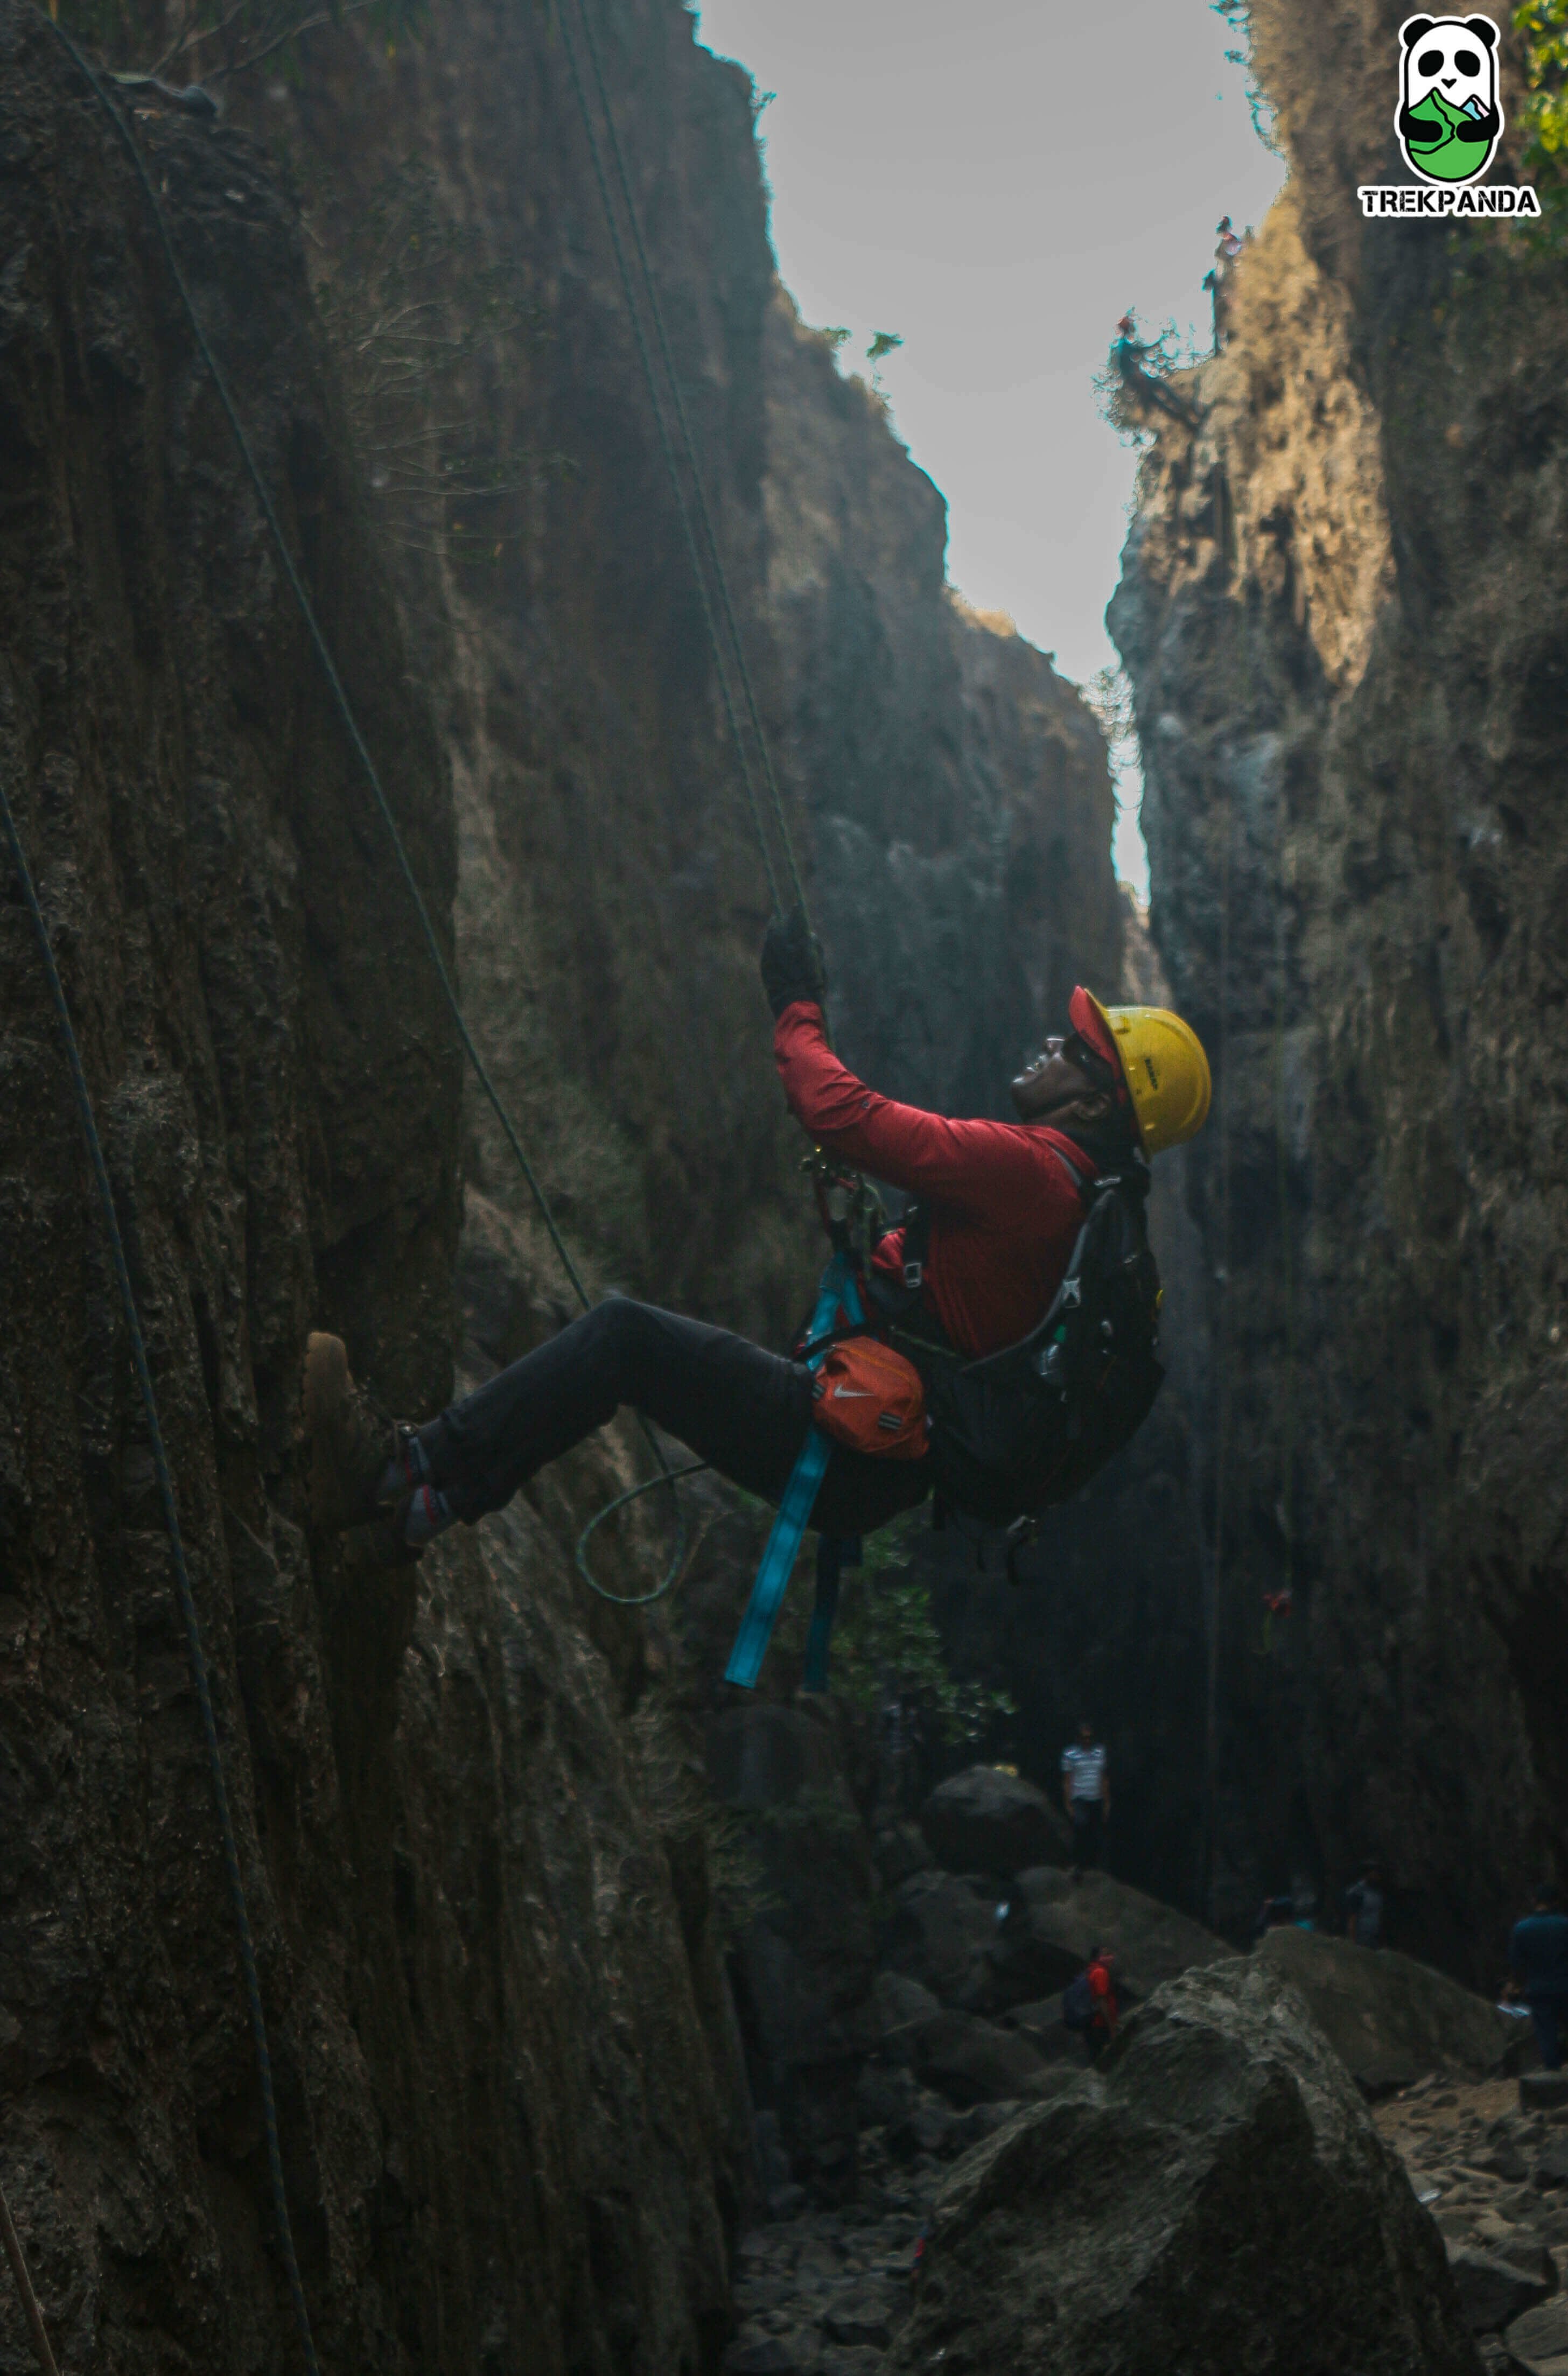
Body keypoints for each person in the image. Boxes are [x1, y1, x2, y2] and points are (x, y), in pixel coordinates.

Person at [302, 910, 1212, 1562]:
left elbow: (837, 1111)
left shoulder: (1031, 1174)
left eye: (1071, 1050)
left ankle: (404, 1469)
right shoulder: (1085, 1205)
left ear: (1095, 1101)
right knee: (643, 1347)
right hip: (874, 1461)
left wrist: (795, 1004)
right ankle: (423, 1508)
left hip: (850, 1446)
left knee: (624, 1339)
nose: (1048, 1046)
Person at [1508, 1886, 1568, 2072]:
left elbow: (1517, 1965)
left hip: (1539, 1990)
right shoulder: (1565, 1925)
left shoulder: (1522, 1929)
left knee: (1547, 2035)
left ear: (1535, 1902)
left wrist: (1516, 1987)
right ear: (1556, 1902)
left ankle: (1554, 2079)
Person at [1062, 1720, 1110, 1877]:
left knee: (1096, 1831)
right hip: (1080, 1797)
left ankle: (1095, 1866)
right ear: (1078, 1738)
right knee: (1081, 1827)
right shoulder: (1070, 1754)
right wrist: (1068, 1802)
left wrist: (1107, 1801)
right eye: (1084, 1738)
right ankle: (1078, 1864)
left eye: (1090, 1737)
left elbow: (1104, 1777)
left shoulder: (1100, 1752)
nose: (1087, 1741)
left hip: (1096, 1797)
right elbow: (1068, 1779)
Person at [1345, 1862, 1386, 1950]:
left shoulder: (1378, 1892)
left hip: (1374, 1937)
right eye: (1374, 1873)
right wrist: (1352, 1942)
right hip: (1360, 1937)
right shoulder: (1357, 1892)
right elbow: (1352, 1918)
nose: (1377, 1877)